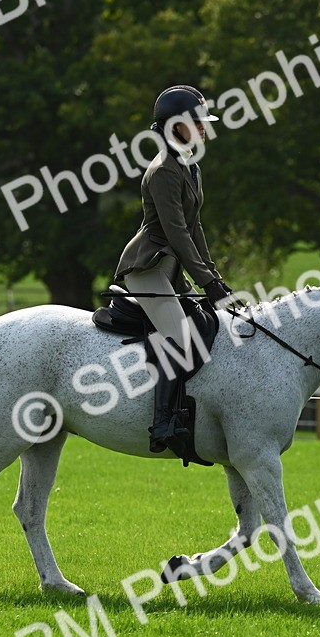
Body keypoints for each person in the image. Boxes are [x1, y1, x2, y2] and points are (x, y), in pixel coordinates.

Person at [114, 85, 238, 452]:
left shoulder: (190, 166)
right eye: (196, 121)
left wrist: (213, 277)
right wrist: (207, 282)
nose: (203, 128)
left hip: (170, 270)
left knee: (207, 326)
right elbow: (176, 233)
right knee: (180, 338)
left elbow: (195, 226)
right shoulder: (164, 171)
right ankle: (164, 422)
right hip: (147, 267)